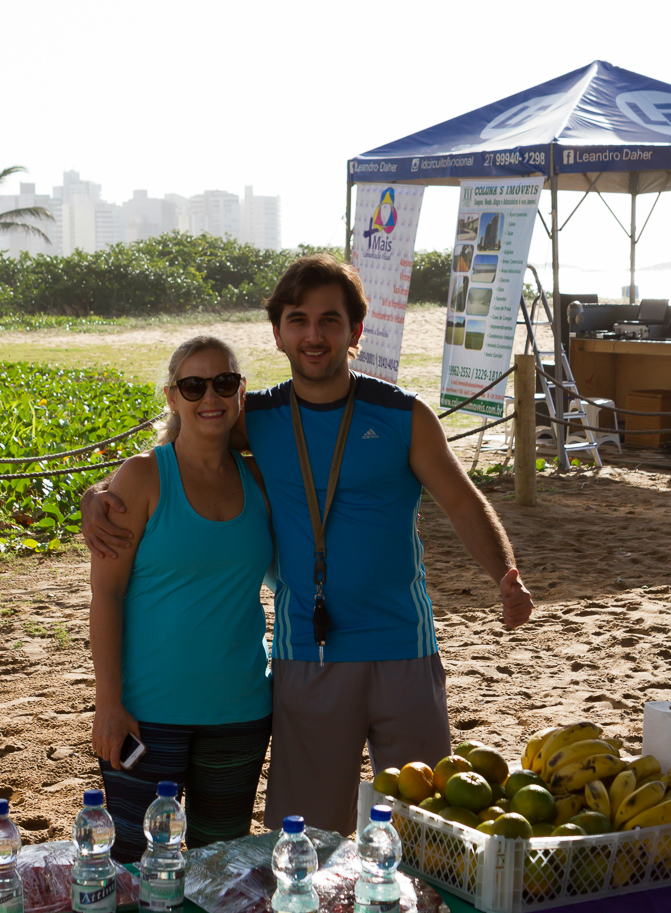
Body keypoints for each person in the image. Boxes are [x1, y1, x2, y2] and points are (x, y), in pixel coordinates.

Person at [83, 255, 533, 837]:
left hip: (405, 648)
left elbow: (464, 504)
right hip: (308, 655)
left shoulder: (404, 415)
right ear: (278, 334)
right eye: (298, 320)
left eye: (329, 320)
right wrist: (99, 494)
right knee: (307, 839)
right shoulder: (258, 417)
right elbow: (187, 439)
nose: (313, 335)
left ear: (355, 330)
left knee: (425, 832)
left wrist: (505, 574)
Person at [89, 334, 273, 861]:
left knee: (221, 868)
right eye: (193, 385)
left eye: (224, 382)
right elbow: (106, 595)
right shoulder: (143, 475)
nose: (209, 397)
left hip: (240, 711)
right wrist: (108, 702)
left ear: (241, 392)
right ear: (172, 397)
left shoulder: (260, 477)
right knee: (136, 866)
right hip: (146, 714)